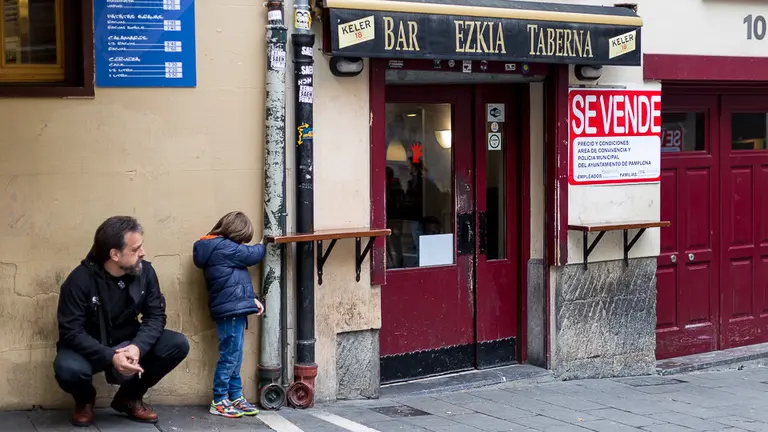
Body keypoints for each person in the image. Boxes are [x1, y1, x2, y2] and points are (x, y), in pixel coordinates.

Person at [54, 216, 190, 427]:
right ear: (114, 254)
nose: (142, 253)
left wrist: (137, 347)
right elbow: (71, 332)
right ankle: (84, 400)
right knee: (68, 369)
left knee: (177, 344)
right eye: (135, 249)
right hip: (90, 347)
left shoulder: (145, 273)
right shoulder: (78, 281)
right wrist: (110, 356)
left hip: (128, 341)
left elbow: (155, 316)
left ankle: (129, 398)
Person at [193, 211, 265, 418]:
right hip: (229, 311)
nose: (242, 244)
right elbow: (252, 255)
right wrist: (264, 243)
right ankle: (219, 399)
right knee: (230, 356)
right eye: (241, 239)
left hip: (233, 308)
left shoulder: (219, 248)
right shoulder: (222, 247)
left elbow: (234, 282)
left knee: (236, 355)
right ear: (234, 232)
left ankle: (235, 396)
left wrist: (251, 299)